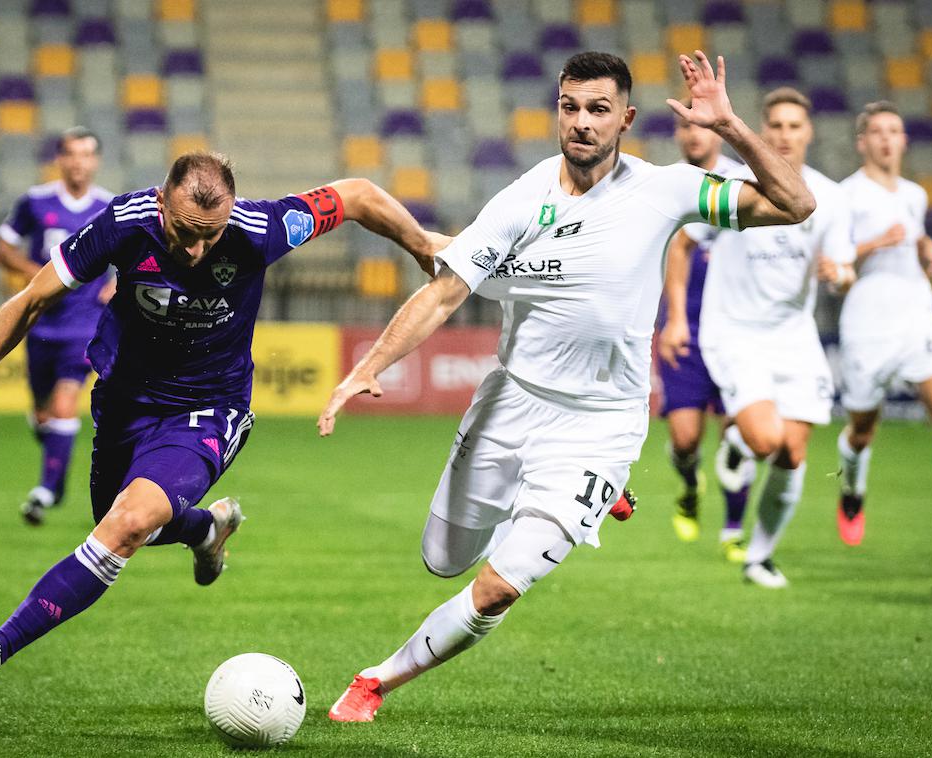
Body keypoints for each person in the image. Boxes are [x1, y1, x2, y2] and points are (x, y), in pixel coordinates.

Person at [317, 51, 814, 722]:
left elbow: (797, 203)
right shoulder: (522, 200)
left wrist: (730, 127)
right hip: (511, 404)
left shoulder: (667, 189)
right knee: (444, 559)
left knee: (496, 588)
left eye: (598, 109)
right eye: (570, 107)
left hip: (601, 426)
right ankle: (577, 500)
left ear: (626, 119)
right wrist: (369, 367)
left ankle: (375, 681)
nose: (581, 122)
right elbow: (444, 294)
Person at [0, 152, 446, 697]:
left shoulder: (261, 229)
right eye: (185, 232)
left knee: (125, 526)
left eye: (210, 238)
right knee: (117, 524)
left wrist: (422, 244)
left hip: (209, 407)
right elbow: (31, 300)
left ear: (232, 213)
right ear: (162, 201)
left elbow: (356, 194)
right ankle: (206, 528)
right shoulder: (124, 223)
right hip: (125, 403)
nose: (196, 251)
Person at [694, 87, 855, 588]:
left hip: (794, 336)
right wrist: (677, 314)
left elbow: (846, 269)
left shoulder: (831, 196)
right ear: (764, 131)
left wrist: (839, 275)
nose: (785, 135)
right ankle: (740, 443)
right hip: (735, 331)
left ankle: (758, 557)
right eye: (777, 126)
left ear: (808, 133)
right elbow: (686, 239)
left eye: (794, 126)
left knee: (794, 453)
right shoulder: (733, 184)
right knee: (767, 439)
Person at [834, 101, 932, 558]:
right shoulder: (846, 195)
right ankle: (852, 493)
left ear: (904, 141)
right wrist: (875, 243)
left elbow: (915, 240)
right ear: (863, 142)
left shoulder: (914, 194)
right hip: (868, 317)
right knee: (862, 428)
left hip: (917, 312)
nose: (886, 139)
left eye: (894, 131)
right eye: (877, 132)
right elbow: (836, 261)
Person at [0, 126, 115, 525]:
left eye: (86, 154)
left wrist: (118, 282)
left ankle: (45, 491)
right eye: (71, 154)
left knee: (66, 403)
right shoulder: (35, 201)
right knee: (44, 414)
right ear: (60, 159)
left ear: (95, 161)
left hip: (85, 327)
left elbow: (141, 254)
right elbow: (3, 249)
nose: (78, 162)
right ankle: (54, 469)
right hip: (40, 323)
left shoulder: (111, 207)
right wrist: (40, 275)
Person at [655, 109, 749, 560]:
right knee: (687, 437)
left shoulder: (741, 180)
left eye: (701, 126)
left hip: (734, 323)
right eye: (686, 126)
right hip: (684, 319)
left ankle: (733, 528)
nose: (693, 134)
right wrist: (672, 318)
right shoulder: (663, 183)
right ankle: (690, 486)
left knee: (739, 434)